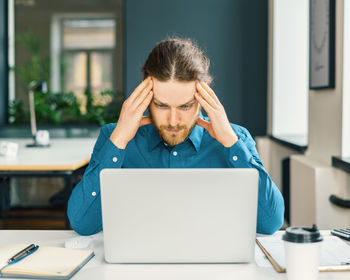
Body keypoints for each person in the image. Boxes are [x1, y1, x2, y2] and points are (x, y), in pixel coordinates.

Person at [67, 37, 284, 236]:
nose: (172, 121)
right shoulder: (114, 137)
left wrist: (230, 142)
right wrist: (119, 140)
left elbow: (270, 223)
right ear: (146, 96)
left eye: (185, 106)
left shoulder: (235, 138)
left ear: (203, 99)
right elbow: (82, 223)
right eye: (161, 105)